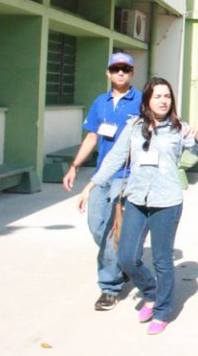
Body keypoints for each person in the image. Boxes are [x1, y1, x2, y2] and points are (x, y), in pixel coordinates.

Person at [77, 77, 198, 334]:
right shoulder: (134, 126)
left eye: (167, 96)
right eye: (158, 96)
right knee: (127, 256)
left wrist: (197, 134)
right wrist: (90, 186)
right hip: (137, 199)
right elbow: (114, 159)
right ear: (147, 100)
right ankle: (150, 291)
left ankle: (162, 310)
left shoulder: (178, 129)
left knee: (163, 260)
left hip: (167, 202)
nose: (163, 101)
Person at [62, 52, 141, 311]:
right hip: (101, 176)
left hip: (126, 176)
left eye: (125, 69)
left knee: (111, 233)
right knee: (97, 225)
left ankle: (109, 287)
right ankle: (122, 261)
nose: (120, 73)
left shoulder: (141, 101)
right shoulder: (100, 102)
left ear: (132, 73)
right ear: (108, 72)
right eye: (116, 68)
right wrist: (75, 166)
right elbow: (92, 138)